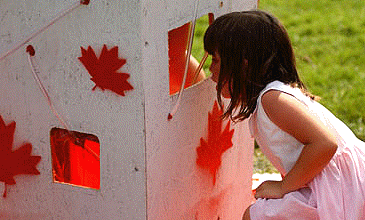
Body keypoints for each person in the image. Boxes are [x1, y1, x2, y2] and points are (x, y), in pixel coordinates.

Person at [204, 10, 365, 220]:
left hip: (343, 186)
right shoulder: (271, 98)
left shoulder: (272, 100)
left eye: (215, 60)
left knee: (256, 216)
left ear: (243, 64)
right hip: (332, 182)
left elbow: (325, 143)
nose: (210, 68)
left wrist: (284, 187)